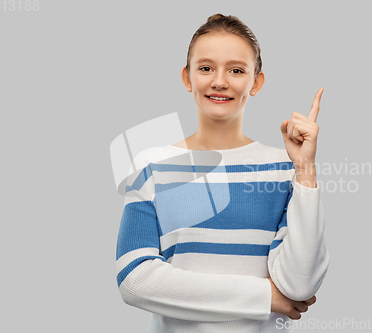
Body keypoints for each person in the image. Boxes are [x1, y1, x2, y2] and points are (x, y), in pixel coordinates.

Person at [115, 13, 330, 333]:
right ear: (187, 78)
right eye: (205, 68)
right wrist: (263, 296)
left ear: (256, 83)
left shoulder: (283, 170)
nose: (219, 81)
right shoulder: (152, 166)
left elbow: (299, 287)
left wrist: (305, 169)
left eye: (236, 70)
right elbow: (134, 278)